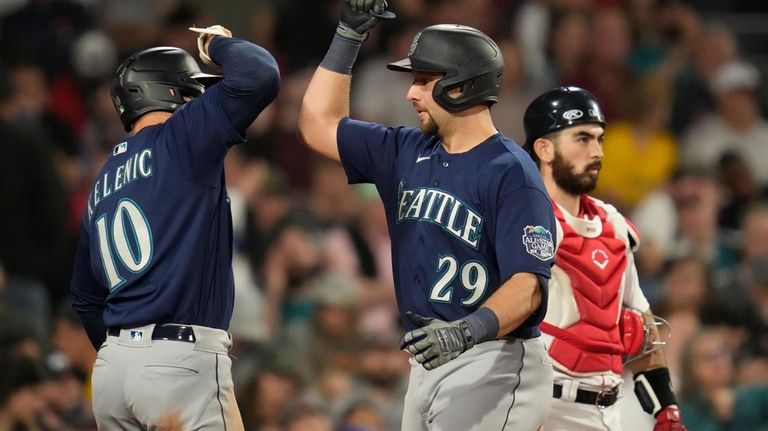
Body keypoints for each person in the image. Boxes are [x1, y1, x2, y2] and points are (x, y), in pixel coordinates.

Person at [297, 1, 557, 429]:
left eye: (422, 80)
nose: (410, 92)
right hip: (428, 358)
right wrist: (348, 38)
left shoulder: (511, 172)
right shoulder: (404, 150)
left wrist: (465, 331)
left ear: (460, 86)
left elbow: (528, 286)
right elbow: (316, 124)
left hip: (492, 357)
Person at [69, 24, 280, 430]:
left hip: (113, 372)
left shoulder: (102, 180)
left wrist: (127, 354)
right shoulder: (182, 136)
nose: (198, 96)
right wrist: (215, 42)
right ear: (170, 92)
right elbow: (260, 73)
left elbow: (85, 296)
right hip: (178, 361)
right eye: (192, 88)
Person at [522, 86, 687, 431]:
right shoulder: (518, 217)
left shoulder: (613, 226)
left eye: (599, 139)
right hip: (533, 403)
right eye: (582, 139)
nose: (596, 151)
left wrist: (665, 408)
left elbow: (644, 327)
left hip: (602, 409)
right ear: (544, 148)